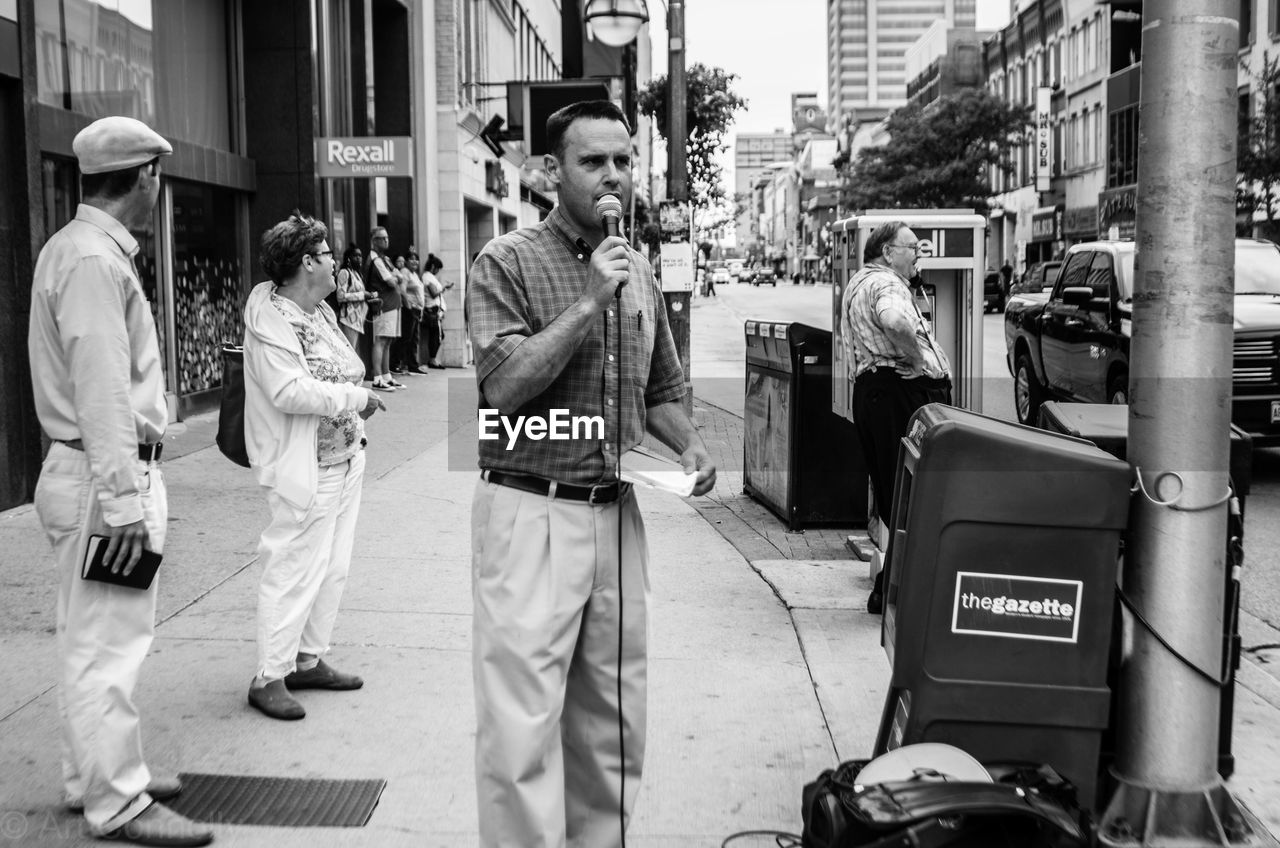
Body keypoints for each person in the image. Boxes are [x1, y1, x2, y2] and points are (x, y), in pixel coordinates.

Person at [467, 99, 717, 847]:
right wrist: (588, 301)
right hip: (529, 513)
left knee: (613, 717)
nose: (615, 176)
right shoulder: (506, 261)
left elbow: (661, 390)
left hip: (615, 514)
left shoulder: (637, 269)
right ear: (550, 173)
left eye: (624, 160)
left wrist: (690, 447)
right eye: (593, 161)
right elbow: (504, 386)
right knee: (521, 730)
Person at [28, 116, 214, 846]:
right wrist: (123, 499)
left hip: (88, 468)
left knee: (92, 639)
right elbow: (104, 391)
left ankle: (94, 778)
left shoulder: (77, 251)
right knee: (110, 645)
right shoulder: (94, 262)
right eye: (157, 178)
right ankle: (118, 799)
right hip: (103, 470)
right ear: (145, 178)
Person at [241, 212, 386, 721]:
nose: (335, 263)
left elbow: (348, 364)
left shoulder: (320, 311)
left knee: (332, 568)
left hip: (345, 457)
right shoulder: (274, 321)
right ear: (306, 262)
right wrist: (354, 395)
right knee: (293, 568)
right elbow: (287, 391)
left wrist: (353, 396)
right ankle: (270, 675)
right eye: (327, 256)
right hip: (307, 466)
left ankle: (307, 659)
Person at [839, 221, 952, 614]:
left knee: (894, 493)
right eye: (911, 248)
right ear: (887, 252)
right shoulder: (886, 284)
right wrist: (920, 361)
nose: (917, 254)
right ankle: (901, 592)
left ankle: (892, 587)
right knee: (913, 493)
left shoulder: (860, 282)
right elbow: (895, 321)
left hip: (876, 395)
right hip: (898, 394)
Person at [364, 227, 404, 391]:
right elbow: (392, 281)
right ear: (374, 241)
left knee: (387, 341)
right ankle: (377, 377)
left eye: (387, 237)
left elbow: (399, 277)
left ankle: (386, 375)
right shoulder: (376, 260)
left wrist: (396, 277)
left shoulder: (385, 259)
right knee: (380, 340)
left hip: (392, 304)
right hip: (383, 305)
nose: (386, 241)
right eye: (382, 238)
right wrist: (396, 277)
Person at [334, 245, 377, 349]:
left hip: (358, 318)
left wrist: (370, 295)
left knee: (353, 350)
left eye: (360, 256)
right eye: (355, 256)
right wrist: (362, 295)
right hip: (347, 318)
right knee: (349, 351)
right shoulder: (344, 272)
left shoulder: (357, 274)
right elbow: (340, 296)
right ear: (348, 258)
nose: (359, 258)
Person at [395, 253, 427, 375]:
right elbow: (402, 290)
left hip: (417, 310)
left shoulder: (415, 275)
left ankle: (412, 365)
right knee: (406, 338)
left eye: (416, 259)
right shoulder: (405, 272)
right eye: (411, 259)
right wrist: (408, 307)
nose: (414, 262)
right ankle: (396, 363)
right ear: (407, 262)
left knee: (414, 339)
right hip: (410, 309)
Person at [421, 253, 450, 368]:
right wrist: (444, 288)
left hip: (435, 309)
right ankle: (432, 359)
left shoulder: (429, 277)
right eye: (438, 269)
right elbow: (433, 293)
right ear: (433, 267)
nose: (438, 271)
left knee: (436, 335)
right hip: (432, 309)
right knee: (437, 335)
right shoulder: (427, 277)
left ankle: (432, 359)